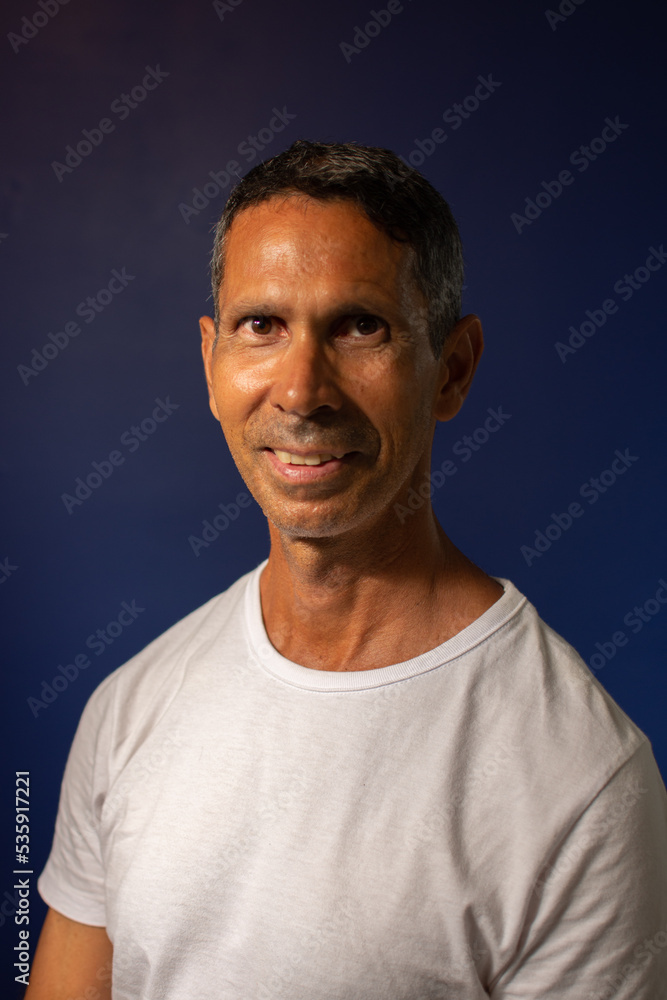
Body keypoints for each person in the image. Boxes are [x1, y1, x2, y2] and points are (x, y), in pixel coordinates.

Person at [27, 140, 667, 1000]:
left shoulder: (583, 786)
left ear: (452, 369)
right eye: (262, 326)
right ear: (211, 364)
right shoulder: (127, 710)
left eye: (360, 326)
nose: (301, 390)